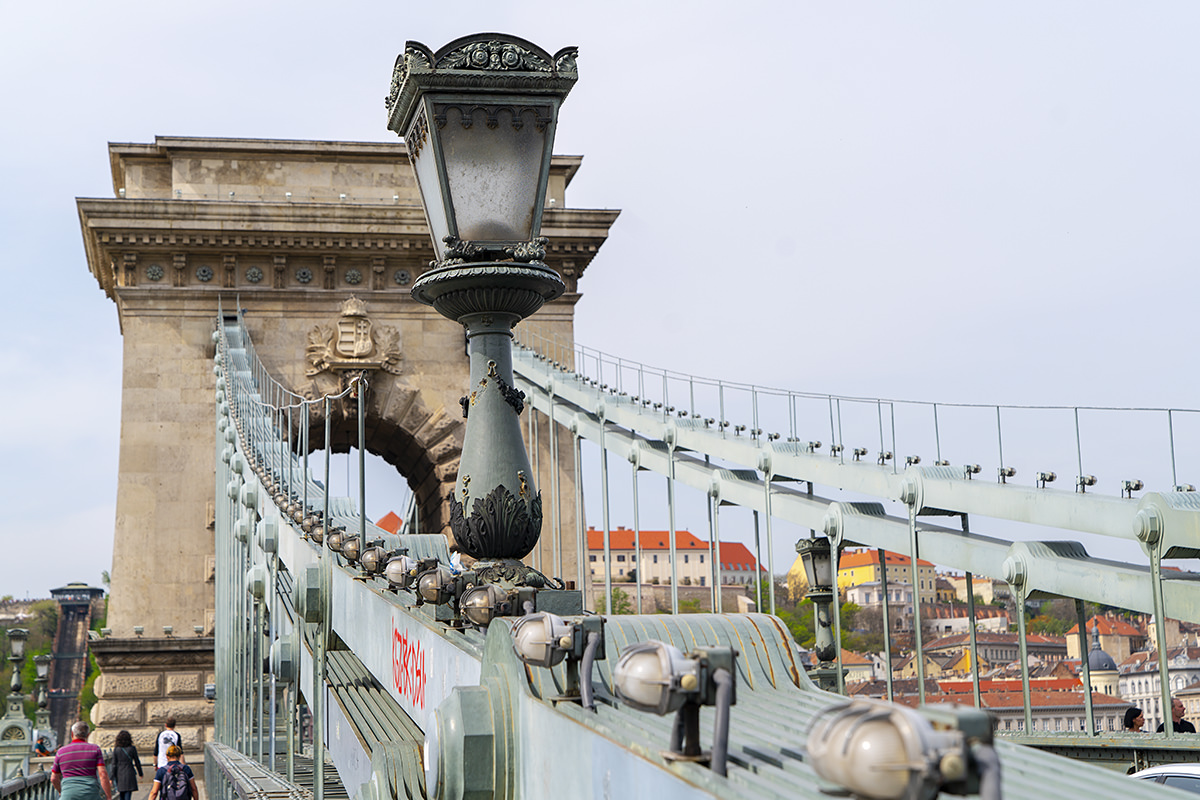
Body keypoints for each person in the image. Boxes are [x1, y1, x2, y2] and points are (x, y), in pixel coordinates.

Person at [51, 721, 113, 800]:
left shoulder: (61, 752)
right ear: (88, 735)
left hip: (68, 795)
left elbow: (54, 778)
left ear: (72, 734)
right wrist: (109, 797)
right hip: (90, 794)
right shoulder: (95, 749)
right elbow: (103, 774)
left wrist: (61, 791)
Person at [107, 730, 143, 800]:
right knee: (128, 793)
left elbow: (113, 764)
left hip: (119, 774)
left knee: (121, 794)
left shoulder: (116, 749)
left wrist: (111, 777)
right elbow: (137, 762)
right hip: (130, 772)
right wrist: (140, 773)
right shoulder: (132, 749)